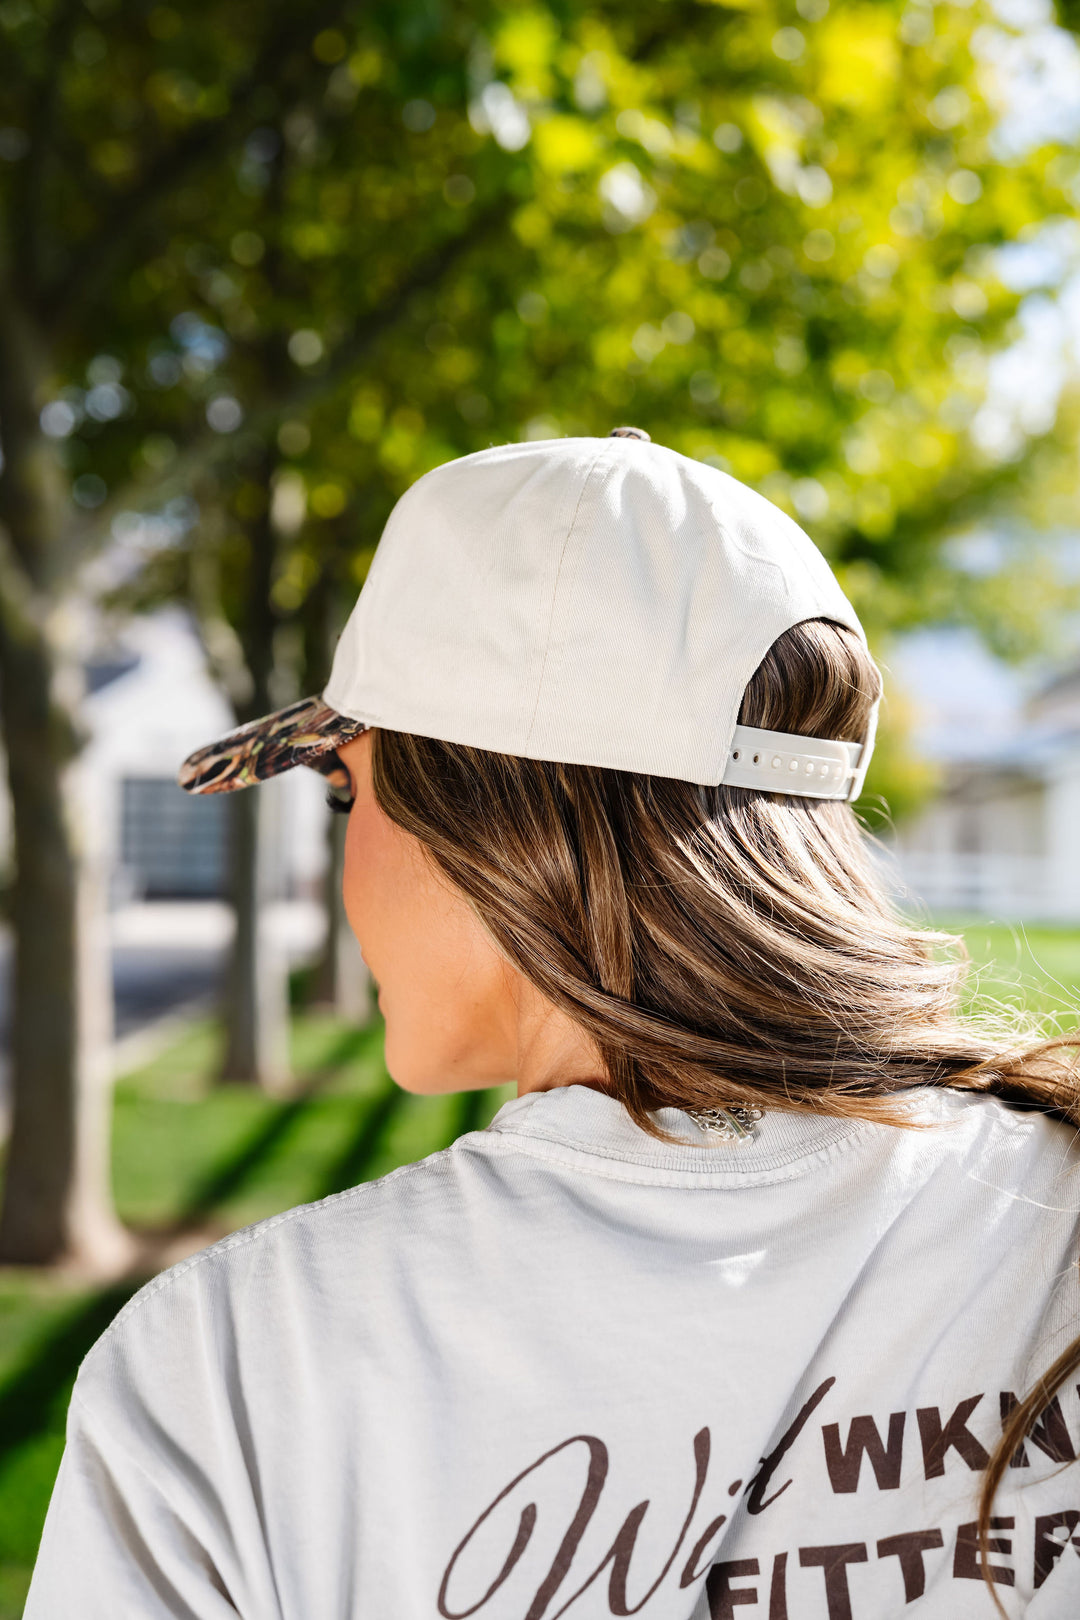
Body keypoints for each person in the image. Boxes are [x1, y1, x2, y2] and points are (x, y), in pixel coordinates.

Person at [25, 431, 1080, 1619]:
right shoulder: (1057, 1215)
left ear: (473, 802)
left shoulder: (231, 1369)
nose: (338, 867)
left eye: (342, 789)